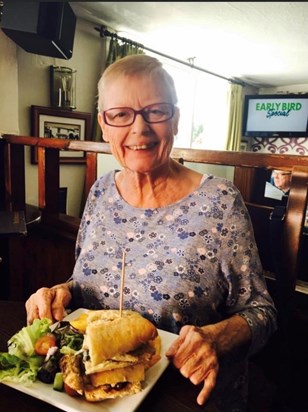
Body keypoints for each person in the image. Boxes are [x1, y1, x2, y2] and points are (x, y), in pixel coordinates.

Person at [25, 54, 277, 411]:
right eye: (121, 115)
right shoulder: (100, 192)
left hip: (183, 395)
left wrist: (216, 339)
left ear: (174, 118)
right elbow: (86, 284)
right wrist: (59, 292)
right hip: (97, 393)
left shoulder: (218, 202)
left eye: (155, 111)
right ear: (104, 124)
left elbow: (262, 312)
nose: (139, 129)